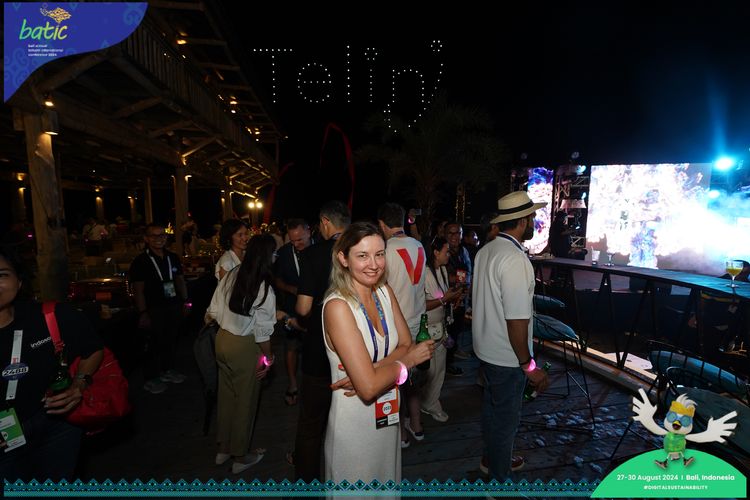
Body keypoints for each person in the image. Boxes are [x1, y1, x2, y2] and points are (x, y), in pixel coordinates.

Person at [323, 222, 434, 484]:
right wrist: (407, 361)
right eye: (362, 255)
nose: (374, 264)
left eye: (380, 254)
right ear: (343, 258)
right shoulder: (338, 307)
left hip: (388, 415)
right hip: (354, 424)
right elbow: (369, 388)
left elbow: (405, 343)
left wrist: (372, 370)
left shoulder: (384, 291)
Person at [0, 246, 104, 481]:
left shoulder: (51, 316)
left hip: (55, 424)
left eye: (2, 275)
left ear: (19, 281)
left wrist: (79, 384)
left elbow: (93, 349)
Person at [472, 191, 550, 479]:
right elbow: (516, 321)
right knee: (506, 421)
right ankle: (498, 482)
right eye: (532, 216)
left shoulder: (486, 250)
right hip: (507, 357)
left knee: (491, 411)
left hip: (485, 350)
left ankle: (492, 459)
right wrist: (529, 366)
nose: (534, 221)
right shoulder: (515, 259)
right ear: (523, 221)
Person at [205, 234, 277, 474]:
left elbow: (213, 310)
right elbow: (263, 332)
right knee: (246, 401)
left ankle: (224, 448)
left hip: (222, 340)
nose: (276, 257)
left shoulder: (232, 273)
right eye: (274, 253)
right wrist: (269, 358)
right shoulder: (263, 287)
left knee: (226, 398)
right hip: (244, 346)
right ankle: (241, 456)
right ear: (267, 256)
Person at [290, 200, 350, 481]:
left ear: (325, 222)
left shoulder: (313, 254)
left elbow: (303, 308)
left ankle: (306, 485)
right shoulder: (362, 250)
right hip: (356, 352)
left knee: (311, 425)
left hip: (320, 350)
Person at [377, 202, 428, 448]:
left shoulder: (385, 250)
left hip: (397, 327)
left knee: (395, 380)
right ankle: (416, 425)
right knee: (412, 381)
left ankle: (400, 435)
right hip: (418, 322)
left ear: (381, 224)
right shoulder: (418, 246)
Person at [129, 223, 189, 394]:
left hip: (173, 305)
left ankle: (167, 370)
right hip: (153, 308)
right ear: (146, 239)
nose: (159, 239)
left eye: (162, 235)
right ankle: (151, 378)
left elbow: (180, 280)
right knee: (153, 344)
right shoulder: (141, 261)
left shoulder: (172, 257)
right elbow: (138, 290)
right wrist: (143, 313)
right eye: (154, 236)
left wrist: (186, 301)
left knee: (170, 340)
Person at [421, 236, 464, 423]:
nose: (449, 255)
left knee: (439, 370)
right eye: (446, 252)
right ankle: (428, 403)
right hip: (428, 329)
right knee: (430, 371)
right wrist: (444, 299)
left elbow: (444, 298)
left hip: (442, 327)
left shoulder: (443, 270)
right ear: (436, 252)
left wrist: (452, 299)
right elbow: (421, 305)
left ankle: (429, 401)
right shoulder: (425, 273)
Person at [273, 218, 312, 406]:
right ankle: (292, 384)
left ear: (309, 232)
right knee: (291, 347)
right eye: (292, 240)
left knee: (314, 348)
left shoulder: (320, 249)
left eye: (300, 240)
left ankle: (314, 385)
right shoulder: (283, 253)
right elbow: (277, 280)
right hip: (291, 307)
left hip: (315, 309)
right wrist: (291, 289)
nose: (296, 244)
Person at [445, 222, 473, 372]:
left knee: (456, 330)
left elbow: (468, 273)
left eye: (458, 233)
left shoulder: (464, 251)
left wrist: (466, 288)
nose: (455, 236)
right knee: (447, 332)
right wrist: (459, 280)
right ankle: (446, 364)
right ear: (445, 235)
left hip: (462, 298)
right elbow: (443, 276)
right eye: (451, 233)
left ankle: (451, 357)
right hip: (447, 301)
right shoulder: (443, 251)